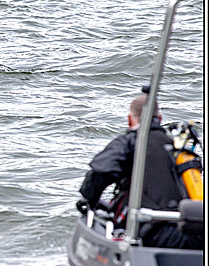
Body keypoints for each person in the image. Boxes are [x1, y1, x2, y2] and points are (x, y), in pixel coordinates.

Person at [79, 92, 203, 250]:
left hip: (153, 232)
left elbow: (101, 172)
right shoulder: (176, 149)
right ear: (160, 119)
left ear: (129, 119)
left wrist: (88, 198)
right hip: (189, 230)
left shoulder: (130, 142)